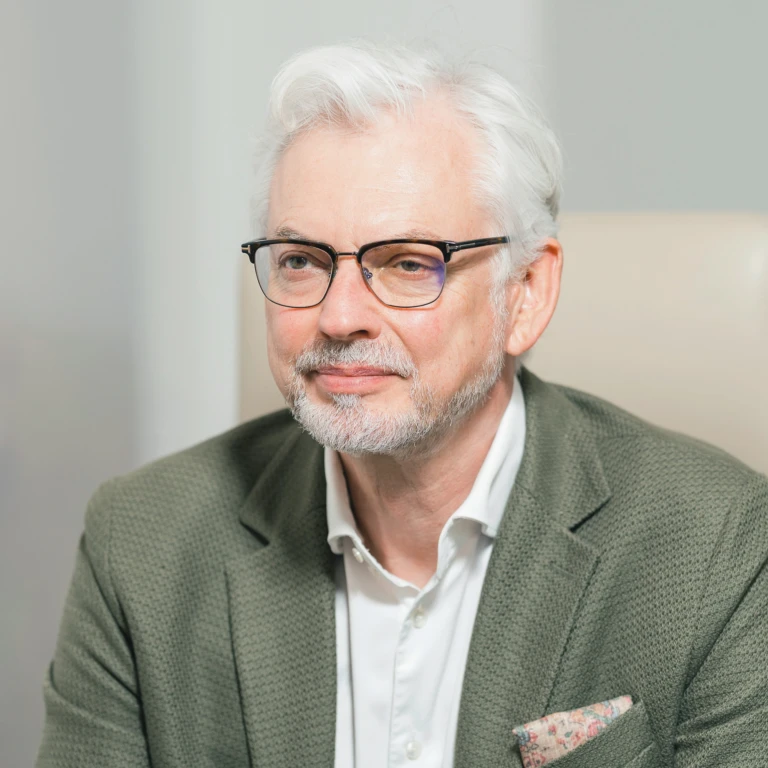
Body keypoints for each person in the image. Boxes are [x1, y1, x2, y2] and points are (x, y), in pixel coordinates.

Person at [37, 42, 768, 768]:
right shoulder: (141, 545)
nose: (338, 316)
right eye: (301, 261)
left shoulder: (717, 547)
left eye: (409, 263)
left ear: (525, 294)